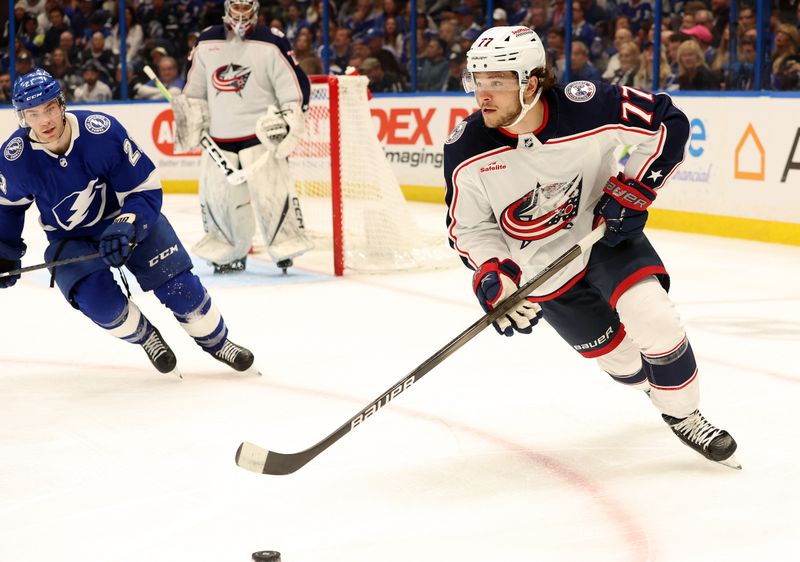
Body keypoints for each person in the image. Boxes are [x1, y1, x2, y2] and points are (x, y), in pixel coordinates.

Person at [444, 26, 740, 468]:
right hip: (543, 269)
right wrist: (492, 272)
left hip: (605, 237)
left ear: (531, 81)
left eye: (497, 82)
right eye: (477, 81)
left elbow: (667, 122)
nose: (483, 94)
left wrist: (635, 190)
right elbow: (468, 227)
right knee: (625, 364)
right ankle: (654, 387)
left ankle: (686, 416)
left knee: (654, 318)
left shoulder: (588, 106)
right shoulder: (466, 147)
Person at [0, 69, 256, 377]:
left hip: (129, 224)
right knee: (100, 302)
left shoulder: (100, 132)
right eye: (34, 113)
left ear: (62, 103)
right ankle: (148, 338)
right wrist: (4, 253)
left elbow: (144, 188)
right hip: (72, 240)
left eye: (50, 107)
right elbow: (7, 210)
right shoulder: (15, 158)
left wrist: (127, 224)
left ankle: (219, 343)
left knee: (180, 288)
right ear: (22, 116)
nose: (45, 120)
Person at [173, 0, 312, 274]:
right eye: (235, 7)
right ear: (227, 8)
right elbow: (195, 89)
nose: (240, 14)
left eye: (245, 8)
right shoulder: (206, 40)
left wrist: (288, 119)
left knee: (272, 194)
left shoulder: (272, 41)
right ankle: (226, 251)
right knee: (218, 200)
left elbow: (294, 87)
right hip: (219, 140)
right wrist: (190, 112)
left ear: (255, 10)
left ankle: (285, 245)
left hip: (259, 136)